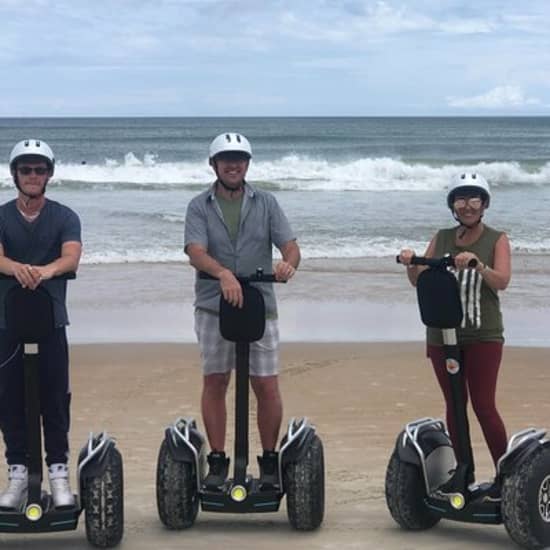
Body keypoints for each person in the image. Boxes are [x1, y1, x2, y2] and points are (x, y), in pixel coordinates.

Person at [184, 132, 300, 490]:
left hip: (259, 306)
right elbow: (195, 251)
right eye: (225, 159)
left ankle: (268, 461)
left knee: (265, 384)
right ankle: (218, 461)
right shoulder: (199, 205)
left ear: (247, 164)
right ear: (214, 164)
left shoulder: (266, 202)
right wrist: (222, 274)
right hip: (212, 306)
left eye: (239, 159)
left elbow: (291, 247)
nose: (233, 165)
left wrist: (287, 264)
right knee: (216, 381)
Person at [399, 172, 510, 474]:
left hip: (483, 335)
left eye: (474, 199)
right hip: (442, 336)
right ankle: (464, 471)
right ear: (453, 205)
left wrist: (478, 264)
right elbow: (418, 278)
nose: (467, 205)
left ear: (484, 203)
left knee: (484, 406)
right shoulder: (443, 237)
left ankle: (506, 475)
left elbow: (502, 281)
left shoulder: (496, 239)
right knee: (455, 405)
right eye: (461, 199)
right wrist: (412, 262)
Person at [0, 139, 82, 509]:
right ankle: (18, 473)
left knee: (54, 398)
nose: (33, 176)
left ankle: (59, 472)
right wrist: (16, 268)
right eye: (26, 170)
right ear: (15, 174)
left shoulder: (64, 216)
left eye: (39, 170)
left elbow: (71, 255)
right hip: (6, 324)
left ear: (49, 174)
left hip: (51, 322)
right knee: (9, 399)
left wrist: (46, 270)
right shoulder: (1, 215)